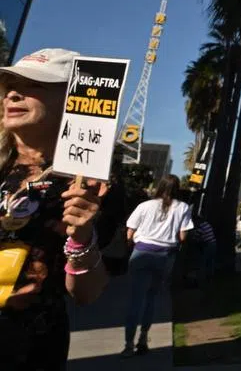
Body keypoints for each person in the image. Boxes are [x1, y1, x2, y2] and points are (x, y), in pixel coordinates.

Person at [0, 49, 111, 370]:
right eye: (10, 84)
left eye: (33, 84)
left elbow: (87, 294)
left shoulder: (90, 187)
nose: (14, 93)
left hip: (27, 350)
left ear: (72, 100)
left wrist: (82, 236)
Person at [121, 174, 193, 357]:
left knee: (134, 300)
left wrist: (131, 246)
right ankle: (143, 338)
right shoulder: (183, 207)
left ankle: (128, 343)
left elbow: (130, 232)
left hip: (142, 251)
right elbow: (183, 237)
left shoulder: (144, 206)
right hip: (165, 255)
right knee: (151, 298)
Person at [190, 213, 216, 283]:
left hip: (208, 244)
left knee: (203, 261)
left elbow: (196, 238)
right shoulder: (207, 224)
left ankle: (202, 277)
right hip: (213, 243)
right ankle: (209, 276)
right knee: (210, 261)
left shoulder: (201, 227)